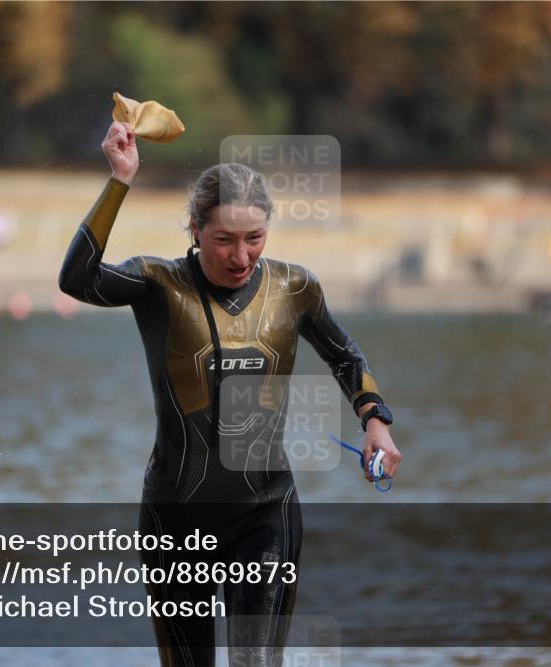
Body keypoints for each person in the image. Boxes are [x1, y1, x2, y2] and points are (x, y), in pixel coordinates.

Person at [59, 121, 401, 666]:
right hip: (175, 517)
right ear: (195, 229)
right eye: (224, 240)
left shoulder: (295, 288)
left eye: (254, 239)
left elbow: (345, 355)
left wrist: (375, 423)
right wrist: (120, 180)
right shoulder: (157, 283)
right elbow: (76, 279)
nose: (240, 257)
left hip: (264, 511)